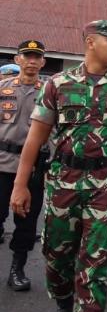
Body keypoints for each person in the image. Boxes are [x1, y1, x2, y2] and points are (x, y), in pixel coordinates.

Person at [10, 20, 107, 312]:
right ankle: (63, 303)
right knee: (57, 253)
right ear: (90, 42)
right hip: (63, 180)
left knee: (97, 258)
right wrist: (21, 184)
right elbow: (35, 137)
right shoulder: (58, 84)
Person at [0, 40, 48, 290]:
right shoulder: (3, 88)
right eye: (27, 56)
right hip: (2, 164)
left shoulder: (49, 92)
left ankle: (16, 270)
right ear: (17, 59)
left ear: (43, 62)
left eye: (36, 57)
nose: (31, 60)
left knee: (27, 223)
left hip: (33, 168)